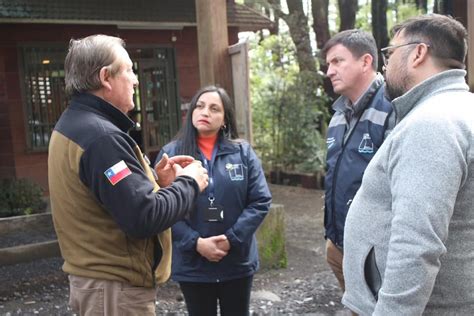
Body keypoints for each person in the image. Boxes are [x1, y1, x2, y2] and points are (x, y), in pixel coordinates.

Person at [48, 34, 209, 315]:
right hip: (115, 292)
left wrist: (157, 183)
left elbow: (111, 200)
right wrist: (190, 182)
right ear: (105, 77)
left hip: (101, 287)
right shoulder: (101, 138)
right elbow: (143, 216)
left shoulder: (75, 124)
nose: (135, 80)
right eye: (129, 70)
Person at [342, 14, 474, 315]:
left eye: (390, 52)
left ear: (418, 53)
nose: (385, 64)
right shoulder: (460, 110)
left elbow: (417, 244)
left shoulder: (431, 123)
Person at [155, 85, 272, 316]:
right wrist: (195, 242)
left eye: (214, 108)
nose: (204, 112)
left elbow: (260, 201)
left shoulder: (243, 153)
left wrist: (232, 238)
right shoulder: (172, 154)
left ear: (225, 119)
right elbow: (161, 207)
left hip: (236, 260)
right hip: (193, 263)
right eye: (199, 106)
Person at [320, 29, 392, 291]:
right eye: (328, 64)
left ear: (365, 61)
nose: (329, 71)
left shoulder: (392, 108)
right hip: (338, 244)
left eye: (337, 61)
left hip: (374, 250)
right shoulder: (338, 113)